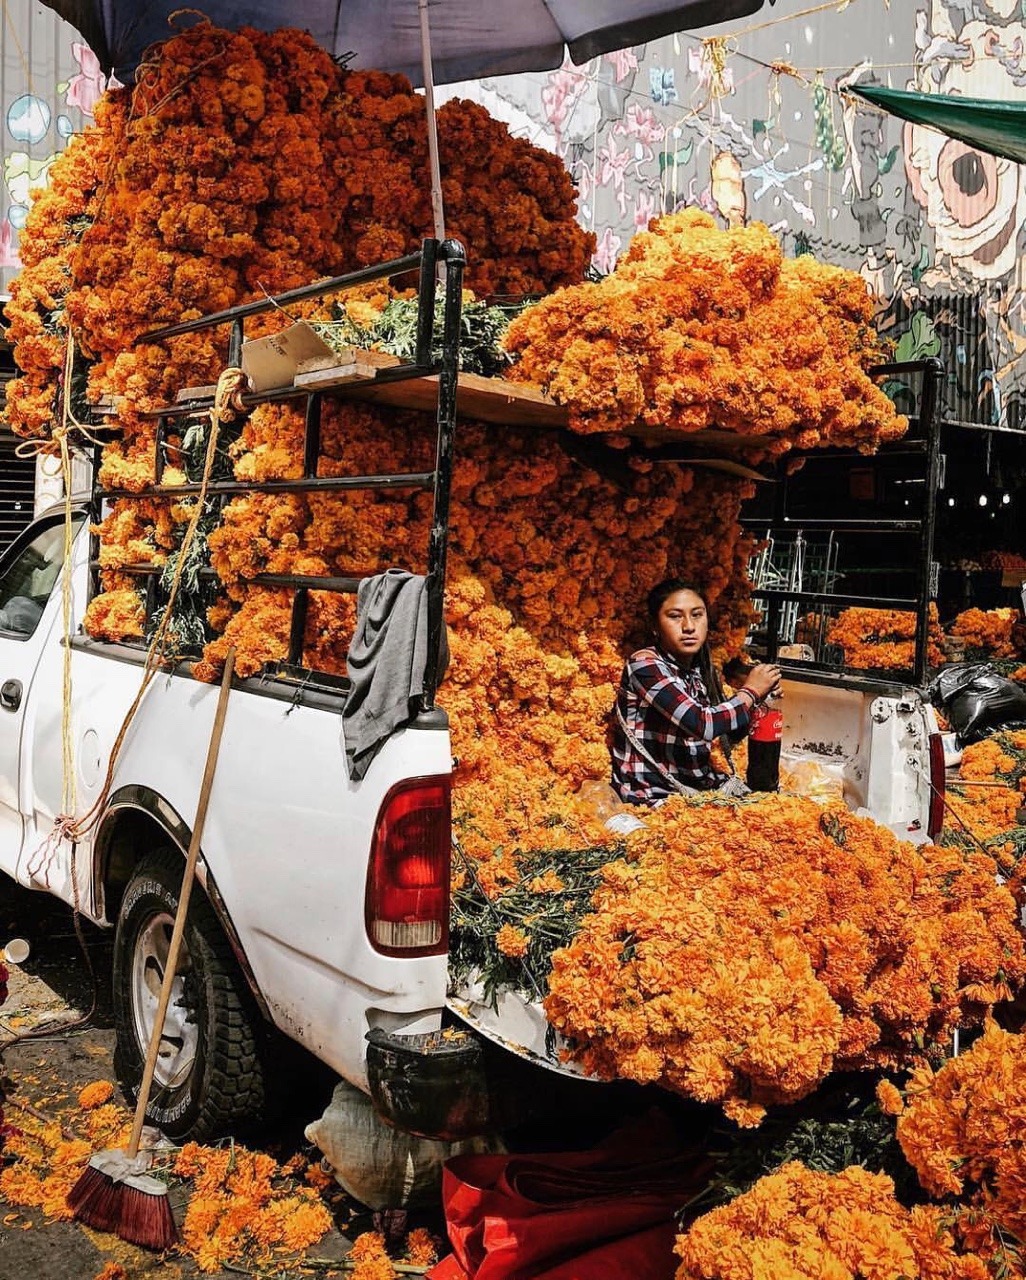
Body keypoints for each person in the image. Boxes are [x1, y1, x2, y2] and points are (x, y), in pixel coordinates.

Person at [611, 578, 781, 806]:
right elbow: (703, 724)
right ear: (655, 626)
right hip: (656, 798)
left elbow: (725, 735)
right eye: (675, 616)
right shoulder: (644, 666)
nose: (689, 626)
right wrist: (750, 692)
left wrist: (759, 700)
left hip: (698, 789)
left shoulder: (697, 670)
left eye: (697, 615)